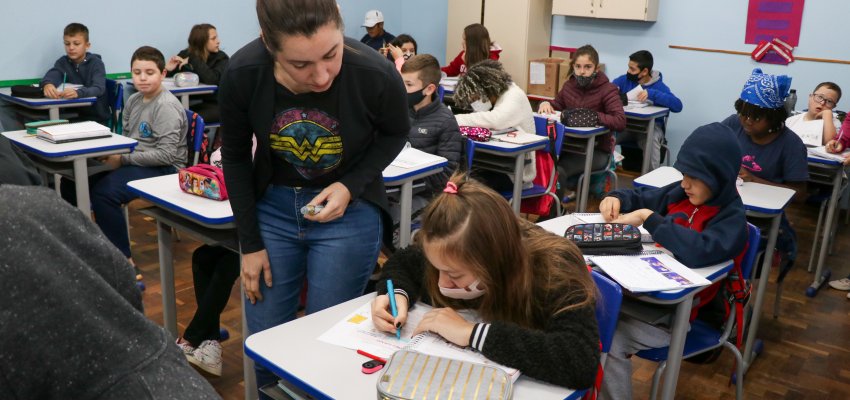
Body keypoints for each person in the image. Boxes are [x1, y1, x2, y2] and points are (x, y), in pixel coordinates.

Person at [219, 0, 409, 394]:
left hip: (350, 215)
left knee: (326, 340)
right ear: (267, 45)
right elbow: (235, 157)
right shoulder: (243, 73)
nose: (321, 76)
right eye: (300, 65)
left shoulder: (375, 73)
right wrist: (249, 243)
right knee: (266, 342)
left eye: (331, 54)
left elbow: (394, 134)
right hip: (271, 210)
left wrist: (350, 184)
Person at [371, 173, 600, 389]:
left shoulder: (554, 269)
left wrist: (472, 334)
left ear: (493, 261)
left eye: (454, 275)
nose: (442, 282)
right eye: (436, 268)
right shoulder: (452, 249)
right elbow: (404, 262)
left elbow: (579, 360)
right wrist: (396, 294)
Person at [0, 185, 219, 399]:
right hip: (139, 362)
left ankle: (202, 339)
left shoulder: (26, 207)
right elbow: (122, 282)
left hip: (126, 374)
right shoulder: (34, 203)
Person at [597, 123, 749, 400]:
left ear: (719, 176)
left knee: (609, 338)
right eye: (683, 174)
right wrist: (614, 197)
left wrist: (648, 218)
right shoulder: (680, 194)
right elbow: (639, 196)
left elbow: (698, 250)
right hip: (642, 300)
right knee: (581, 312)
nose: (684, 183)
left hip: (679, 319)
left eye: (694, 177)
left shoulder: (732, 221)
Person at [61, 46, 188, 273]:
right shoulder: (135, 100)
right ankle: (93, 247)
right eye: (137, 72)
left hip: (165, 169)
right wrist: (112, 154)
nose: (142, 78)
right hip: (137, 159)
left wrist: (123, 160)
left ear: (163, 74)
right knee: (73, 181)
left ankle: (125, 262)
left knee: (105, 193)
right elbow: (128, 139)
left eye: (149, 72)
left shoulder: (166, 106)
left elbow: (167, 155)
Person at [721, 68, 807, 288]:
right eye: (744, 114)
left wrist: (755, 180)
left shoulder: (791, 145)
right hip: (724, 206)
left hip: (760, 219)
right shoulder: (733, 124)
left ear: (774, 118)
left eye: (756, 117)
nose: (747, 121)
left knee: (734, 248)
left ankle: (734, 295)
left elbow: (799, 195)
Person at [538, 44, 625, 197]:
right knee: (542, 163)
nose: (582, 72)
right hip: (567, 146)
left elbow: (620, 120)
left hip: (596, 151)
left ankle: (553, 212)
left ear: (596, 69)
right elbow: (556, 106)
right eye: (578, 66)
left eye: (587, 67)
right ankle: (551, 205)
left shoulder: (607, 89)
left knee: (558, 171)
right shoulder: (569, 85)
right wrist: (546, 104)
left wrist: (593, 117)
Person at [391, 54, 463, 229]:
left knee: (388, 218)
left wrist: (411, 180)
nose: (402, 89)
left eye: (408, 85)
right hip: (396, 189)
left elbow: (448, 173)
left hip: (428, 196)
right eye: (402, 83)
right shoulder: (398, 111)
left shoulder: (445, 121)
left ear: (429, 89)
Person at [453, 59, 536, 191]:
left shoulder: (513, 95)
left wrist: (454, 119)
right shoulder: (497, 96)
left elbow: (495, 120)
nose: (476, 103)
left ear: (486, 88)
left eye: (476, 98)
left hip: (514, 173)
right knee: (458, 177)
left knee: (468, 188)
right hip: (495, 164)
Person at [612, 50, 683, 170]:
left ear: (645, 71)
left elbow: (678, 106)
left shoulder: (659, 86)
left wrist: (652, 94)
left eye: (632, 69)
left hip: (649, 129)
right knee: (605, 135)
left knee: (652, 138)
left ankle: (650, 182)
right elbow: (609, 90)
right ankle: (602, 176)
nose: (629, 71)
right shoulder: (624, 80)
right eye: (628, 67)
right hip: (625, 126)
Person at [40, 22, 110, 124]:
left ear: (87, 45)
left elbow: (98, 88)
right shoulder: (63, 62)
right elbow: (54, 74)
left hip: (96, 119)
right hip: (70, 117)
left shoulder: (96, 63)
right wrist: (47, 84)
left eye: (76, 44)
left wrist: (78, 93)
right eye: (67, 44)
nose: (71, 48)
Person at [165, 23, 229, 125]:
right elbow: (173, 81)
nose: (218, 41)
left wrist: (192, 60)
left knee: (186, 120)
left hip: (215, 105)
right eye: (213, 38)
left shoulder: (221, 58)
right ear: (202, 42)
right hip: (189, 103)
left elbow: (212, 79)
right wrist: (168, 70)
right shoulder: (185, 54)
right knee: (172, 116)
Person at [785, 82, 841, 146]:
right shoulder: (791, 121)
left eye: (829, 101)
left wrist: (827, 115)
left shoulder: (834, 123)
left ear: (833, 107)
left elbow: (830, 144)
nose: (822, 103)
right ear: (810, 97)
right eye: (820, 97)